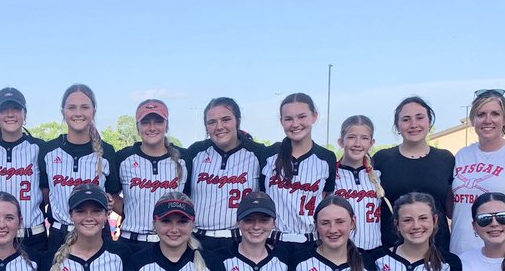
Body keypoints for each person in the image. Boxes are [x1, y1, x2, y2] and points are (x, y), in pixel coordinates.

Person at [449, 89, 505, 254]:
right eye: (481, 114)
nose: (487, 120)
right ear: (473, 120)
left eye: (495, 114)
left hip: (501, 255)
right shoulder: (462, 155)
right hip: (461, 253)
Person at [39, 84, 118, 257]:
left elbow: (113, 196)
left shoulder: (107, 151)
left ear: (93, 111)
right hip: (59, 234)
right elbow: (44, 194)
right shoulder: (47, 150)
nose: (78, 113)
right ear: (63, 112)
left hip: (97, 234)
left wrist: (109, 201)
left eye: (85, 107)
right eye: (71, 107)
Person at [184, 97, 268, 252]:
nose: (219, 127)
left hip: (240, 241)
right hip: (199, 241)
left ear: (238, 121)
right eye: (212, 122)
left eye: (226, 119)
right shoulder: (195, 152)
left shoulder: (259, 153)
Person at [372, 96, 454, 250]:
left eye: (419, 117)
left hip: (437, 250)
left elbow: (452, 209)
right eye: (406, 119)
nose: (413, 124)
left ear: (429, 122)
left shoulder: (446, 159)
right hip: (392, 250)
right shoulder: (382, 159)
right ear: (397, 126)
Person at [0, 87, 47, 262]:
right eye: (4, 109)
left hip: (33, 236)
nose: (10, 114)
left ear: (24, 114)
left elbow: (47, 191)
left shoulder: (40, 148)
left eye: (16, 109)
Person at [110, 99, 187, 253]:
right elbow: (111, 194)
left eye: (158, 121)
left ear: (167, 125)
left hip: (171, 243)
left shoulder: (184, 158)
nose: (152, 127)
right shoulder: (123, 158)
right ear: (137, 127)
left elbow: (189, 196)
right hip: (131, 241)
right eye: (145, 122)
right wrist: (132, 210)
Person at [261, 93, 337, 245]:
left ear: (314, 116)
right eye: (288, 119)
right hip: (273, 242)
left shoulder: (326, 158)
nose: (295, 124)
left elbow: (324, 199)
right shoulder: (268, 154)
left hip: (311, 242)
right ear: (281, 121)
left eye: (302, 117)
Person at [333, 115, 384, 251]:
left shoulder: (378, 176)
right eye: (351, 137)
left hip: (374, 251)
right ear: (341, 141)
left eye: (364, 138)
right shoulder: (331, 176)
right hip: (340, 252)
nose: (357, 143)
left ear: (372, 142)